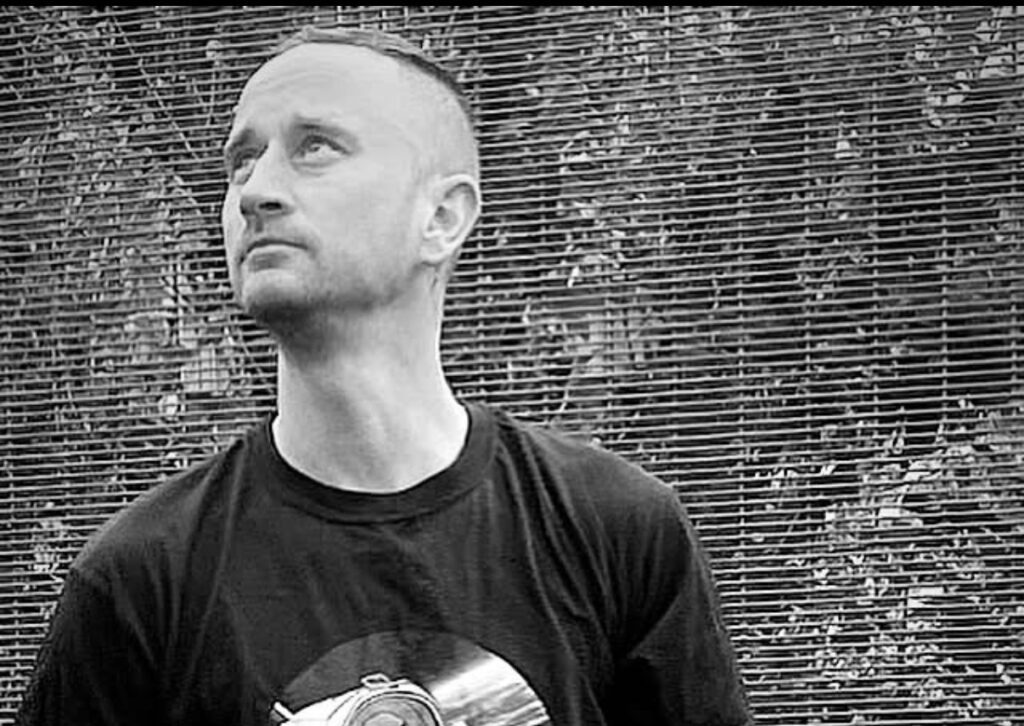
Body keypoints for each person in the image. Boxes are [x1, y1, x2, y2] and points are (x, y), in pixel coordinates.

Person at [16, 25, 752, 726]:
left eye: (315, 147)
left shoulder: (617, 530)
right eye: (242, 160)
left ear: (442, 218)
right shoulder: (140, 578)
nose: (254, 191)